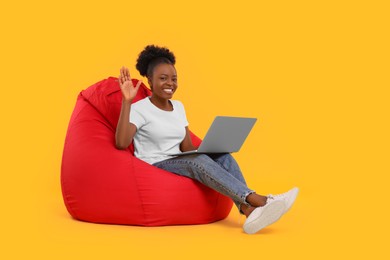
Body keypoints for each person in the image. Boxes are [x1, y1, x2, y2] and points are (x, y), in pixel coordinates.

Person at [115, 45, 299, 234]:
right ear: (150, 81)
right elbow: (121, 143)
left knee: (223, 156)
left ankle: (248, 210)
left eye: (174, 79)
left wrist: (211, 148)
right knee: (198, 161)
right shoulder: (139, 108)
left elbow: (186, 146)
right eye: (163, 78)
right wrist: (126, 101)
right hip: (156, 164)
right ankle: (261, 200)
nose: (170, 83)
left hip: (179, 159)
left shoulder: (178, 107)